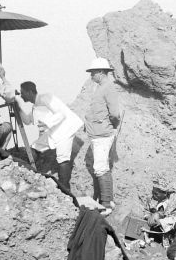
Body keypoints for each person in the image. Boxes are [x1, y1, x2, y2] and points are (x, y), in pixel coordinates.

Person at [15, 81, 84, 191]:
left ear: (29, 92)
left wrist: (47, 123)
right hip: (53, 132)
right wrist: (17, 107)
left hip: (65, 129)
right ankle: (32, 175)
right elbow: (27, 121)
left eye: (22, 93)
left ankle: (65, 190)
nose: (21, 95)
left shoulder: (46, 97)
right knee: (34, 148)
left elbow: (61, 113)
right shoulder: (35, 106)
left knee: (63, 159)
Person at [84, 58, 121, 216]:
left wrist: (107, 126)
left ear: (100, 72)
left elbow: (115, 114)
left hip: (102, 134)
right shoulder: (101, 87)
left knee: (100, 168)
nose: (91, 75)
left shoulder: (108, 88)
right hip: (97, 134)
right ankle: (108, 200)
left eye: (93, 72)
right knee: (101, 167)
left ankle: (106, 205)